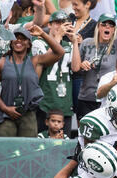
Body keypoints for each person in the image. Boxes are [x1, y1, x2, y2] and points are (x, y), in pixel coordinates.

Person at [0, 0, 45, 134]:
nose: (2, 13)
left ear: (11, 13)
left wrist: (40, 7)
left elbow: (37, 24)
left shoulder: (16, 31)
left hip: (11, 102)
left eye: (5, 9)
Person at [0, 25, 64, 137]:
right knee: (5, 151)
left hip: (28, 113)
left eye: (23, 38)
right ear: (11, 42)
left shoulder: (36, 61)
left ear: (29, 43)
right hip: (6, 113)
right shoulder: (0, 63)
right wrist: (5, 108)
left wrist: (42, 34)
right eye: (15, 37)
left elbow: (59, 52)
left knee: (28, 151)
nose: (18, 40)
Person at [74, 10, 117, 121]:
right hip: (86, 98)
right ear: (98, 27)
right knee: (85, 134)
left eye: (111, 25)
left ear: (114, 29)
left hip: (108, 99)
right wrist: (82, 65)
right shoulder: (86, 43)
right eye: (103, 25)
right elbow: (75, 68)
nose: (107, 28)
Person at [31, 9, 80, 137]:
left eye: (64, 23)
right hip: (46, 102)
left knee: (64, 144)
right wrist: (57, 37)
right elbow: (45, 61)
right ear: (49, 25)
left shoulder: (68, 45)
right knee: (42, 143)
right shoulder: (39, 42)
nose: (60, 26)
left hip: (64, 103)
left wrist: (74, 42)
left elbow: (75, 68)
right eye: (57, 23)